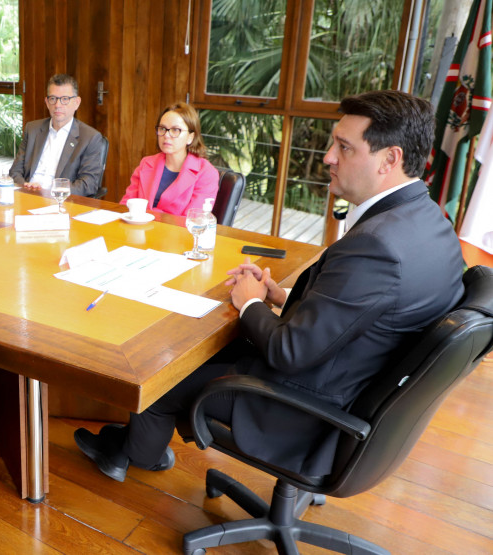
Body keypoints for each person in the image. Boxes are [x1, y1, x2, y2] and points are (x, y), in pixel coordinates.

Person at [74, 90, 465, 481]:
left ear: (390, 159)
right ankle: (141, 437)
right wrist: (281, 296)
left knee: (163, 370)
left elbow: (288, 351)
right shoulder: (430, 222)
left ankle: (137, 453)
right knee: (200, 347)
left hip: (302, 406)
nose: (328, 157)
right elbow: (364, 312)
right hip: (351, 383)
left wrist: (250, 304)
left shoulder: (378, 245)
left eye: (344, 147)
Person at [9, 74, 106, 197]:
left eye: (65, 99)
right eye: (53, 99)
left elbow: (88, 184)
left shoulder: (90, 138)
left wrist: (51, 191)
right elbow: (15, 171)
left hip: (60, 202)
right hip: (27, 196)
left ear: (77, 102)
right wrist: (25, 186)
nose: (58, 105)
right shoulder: (32, 129)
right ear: (47, 102)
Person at [120, 102, 219, 216]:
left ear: (190, 137)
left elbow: (193, 219)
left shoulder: (206, 173)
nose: (166, 135)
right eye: (162, 128)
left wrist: (149, 214)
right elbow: (126, 205)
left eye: (175, 130)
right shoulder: (146, 163)